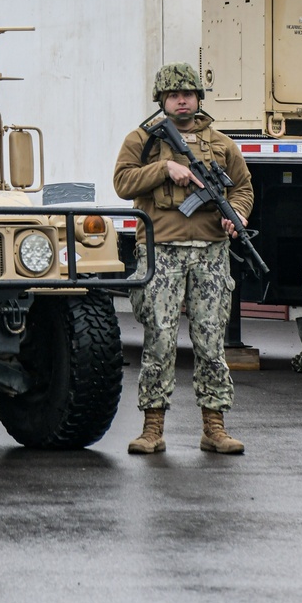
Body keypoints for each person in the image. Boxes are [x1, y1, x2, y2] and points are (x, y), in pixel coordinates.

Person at [113, 62, 253, 456]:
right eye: (174, 95)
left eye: (188, 94)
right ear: (162, 100)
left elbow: (242, 188)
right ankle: (152, 428)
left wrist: (238, 215)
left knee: (211, 341)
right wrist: (164, 168)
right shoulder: (142, 140)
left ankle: (214, 426)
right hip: (161, 252)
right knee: (159, 340)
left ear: (198, 98)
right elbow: (122, 182)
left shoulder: (223, 143)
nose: (181, 100)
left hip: (210, 254)